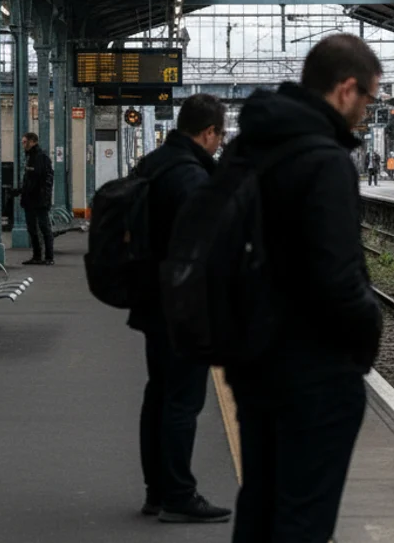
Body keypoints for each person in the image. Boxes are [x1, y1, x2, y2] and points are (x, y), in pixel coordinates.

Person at [226, 34, 384, 543]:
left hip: (253, 360)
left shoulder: (250, 146)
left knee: (261, 505)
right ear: (345, 89)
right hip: (314, 371)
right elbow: (337, 278)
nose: (367, 112)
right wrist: (367, 334)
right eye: (369, 99)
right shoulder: (325, 159)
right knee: (303, 520)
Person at [131, 93, 233, 523]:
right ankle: (178, 495)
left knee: (158, 395)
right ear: (208, 132)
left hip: (154, 301)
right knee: (182, 402)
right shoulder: (189, 177)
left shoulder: (154, 164)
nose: (219, 143)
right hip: (183, 306)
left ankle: (158, 490)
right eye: (219, 135)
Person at [17, 132, 55, 266]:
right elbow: (30, 180)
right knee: (32, 229)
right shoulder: (30, 157)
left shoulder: (41, 157)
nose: (23, 144)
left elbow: (43, 180)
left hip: (40, 200)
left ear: (33, 142)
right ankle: (37, 256)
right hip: (30, 200)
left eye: (25, 142)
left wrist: (44, 196)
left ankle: (49, 257)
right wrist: (21, 191)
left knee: (44, 228)